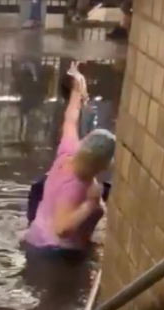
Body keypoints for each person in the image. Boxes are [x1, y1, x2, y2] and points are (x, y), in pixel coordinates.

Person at [23, 62, 115, 256]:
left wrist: (78, 89)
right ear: (104, 164)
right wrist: (90, 206)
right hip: (54, 252)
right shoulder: (78, 188)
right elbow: (62, 229)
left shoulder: (67, 152)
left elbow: (71, 119)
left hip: (35, 236)